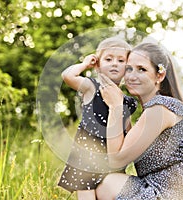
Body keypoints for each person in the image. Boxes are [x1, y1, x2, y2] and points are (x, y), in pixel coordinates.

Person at [96, 42, 183, 199]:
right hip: (172, 190)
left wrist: (115, 107)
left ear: (159, 75)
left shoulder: (161, 109)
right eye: (129, 69)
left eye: (142, 69)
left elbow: (116, 160)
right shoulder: (153, 110)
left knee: (109, 184)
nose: (132, 76)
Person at [58, 37, 137, 200]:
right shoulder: (91, 87)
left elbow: (128, 130)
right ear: (98, 63)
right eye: (108, 59)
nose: (115, 63)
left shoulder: (127, 100)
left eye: (121, 60)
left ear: (127, 67)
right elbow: (67, 75)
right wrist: (85, 64)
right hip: (86, 158)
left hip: (111, 158)